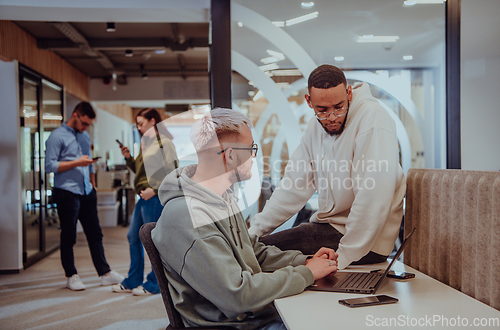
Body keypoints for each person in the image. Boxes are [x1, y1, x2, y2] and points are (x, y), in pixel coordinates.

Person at [152, 108, 338, 330]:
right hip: (236, 325)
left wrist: (303, 262)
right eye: (251, 148)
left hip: (255, 316)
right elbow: (238, 295)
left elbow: (254, 253)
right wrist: (306, 274)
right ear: (230, 155)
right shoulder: (188, 216)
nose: (254, 156)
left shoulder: (221, 198)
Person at [249, 65, 406, 270]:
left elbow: (373, 195)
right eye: (322, 110)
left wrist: (342, 257)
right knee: (255, 249)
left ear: (349, 94)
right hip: (329, 228)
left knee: (258, 255)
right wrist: (253, 232)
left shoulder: (372, 118)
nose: (331, 117)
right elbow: (293, 186)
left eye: (338, 106)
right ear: (309, 102)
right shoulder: (316, 128)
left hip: (367, 243)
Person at [45, 102, 124, 291]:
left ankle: (104, 273)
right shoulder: (56, 136)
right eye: (84, 123)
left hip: (87, 191)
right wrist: (75, 163)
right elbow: (49, 166)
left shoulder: (84, 136)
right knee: (69, 235)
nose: (86, 127)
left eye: (88, 124)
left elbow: (88, 163)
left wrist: (93, 183)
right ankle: (71, 275)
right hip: (66, 192)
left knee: (95, 233)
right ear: (75, 115)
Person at [112, 108, 178, 296]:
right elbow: (140, 171)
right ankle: (133, 280)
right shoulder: (146, 144)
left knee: (154, 241)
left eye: (141, 123)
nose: (139, 127)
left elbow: (173, 171)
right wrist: (128, 159)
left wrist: (155, 190)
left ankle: (154, 284)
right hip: (142, 197)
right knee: (133, 237)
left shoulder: (164, 143)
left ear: (152, 121)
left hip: (155, 197)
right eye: (137, 124)